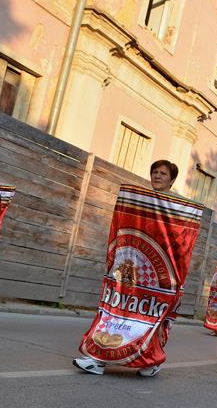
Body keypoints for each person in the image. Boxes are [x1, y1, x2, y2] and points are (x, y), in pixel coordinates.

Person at [73, 159, 182, 378]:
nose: (157, 176)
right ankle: (97, 360)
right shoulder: (138, 201)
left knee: (148, 319)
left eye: (163, 173)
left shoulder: (177, 210)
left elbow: (178, 245)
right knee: (115, 312)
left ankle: (149, 362)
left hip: (155, 277)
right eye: (155, 172)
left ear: (171, 180)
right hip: (130, 268)